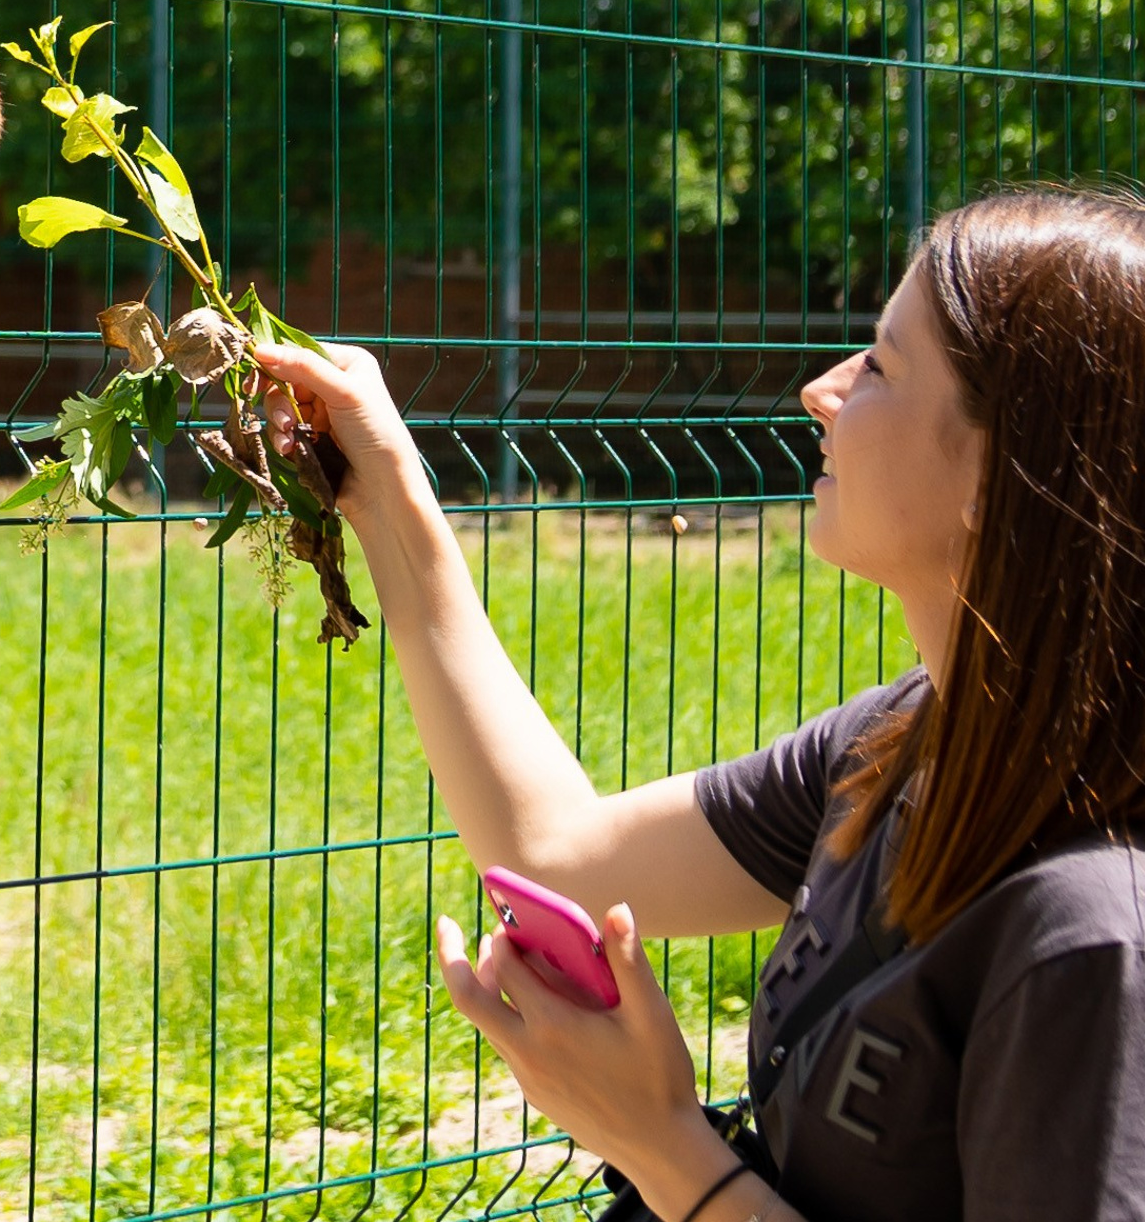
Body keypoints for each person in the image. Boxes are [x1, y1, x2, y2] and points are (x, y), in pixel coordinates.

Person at [252, 183, 1145, 1222]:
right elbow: (557, 857)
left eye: (880, 366)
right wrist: (383, 488)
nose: (821, 390)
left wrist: (667, 1151)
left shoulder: (1094, 939)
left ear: (1001, 472)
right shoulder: (900, 745)